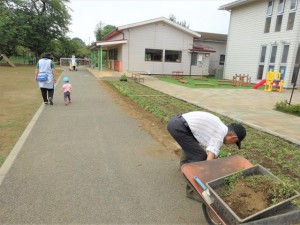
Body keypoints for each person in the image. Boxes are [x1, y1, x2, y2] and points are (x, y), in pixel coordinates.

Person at [167, 111, 246, 201]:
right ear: (233, 138)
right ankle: (191, 192)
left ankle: (185, 168)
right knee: (199, 158)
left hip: (178, 123)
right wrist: (208, 175)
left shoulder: (219, 126)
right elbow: (208, 160)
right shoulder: (219, 135)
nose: (230, 144)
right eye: (234, 143)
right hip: (179, 128)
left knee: (194, 150)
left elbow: (207, 145)